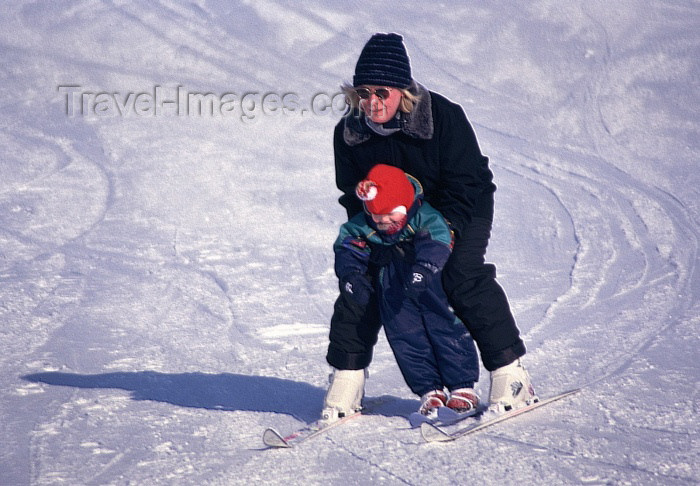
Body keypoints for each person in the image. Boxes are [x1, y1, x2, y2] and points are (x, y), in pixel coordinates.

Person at [322, 32, 537, 419]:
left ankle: (511, 373)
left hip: (459, 207)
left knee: (458, 275)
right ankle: (347, 379)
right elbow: (353, 195)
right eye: (364, 92)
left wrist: (443, 232)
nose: (372, 102)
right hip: (387, 218)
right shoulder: (349, 134)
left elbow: (466, 181)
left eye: (382, 92)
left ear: (402, 91)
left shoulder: (443, 117)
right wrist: (372, 238)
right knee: (367, 279)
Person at [322, 164, 480, 422]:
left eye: (389, 215)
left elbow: (438, 240)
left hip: (430, 283)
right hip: (392, 286)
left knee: (444, 327)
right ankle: (430, 390)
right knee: (404, 336)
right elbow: (348, 246)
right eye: (376, 216)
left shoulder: (424, 217)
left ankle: (462, 386)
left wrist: (425, 268)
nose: (383, 222)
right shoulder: (366, 223)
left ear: (405, 205)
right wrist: (352, 277)